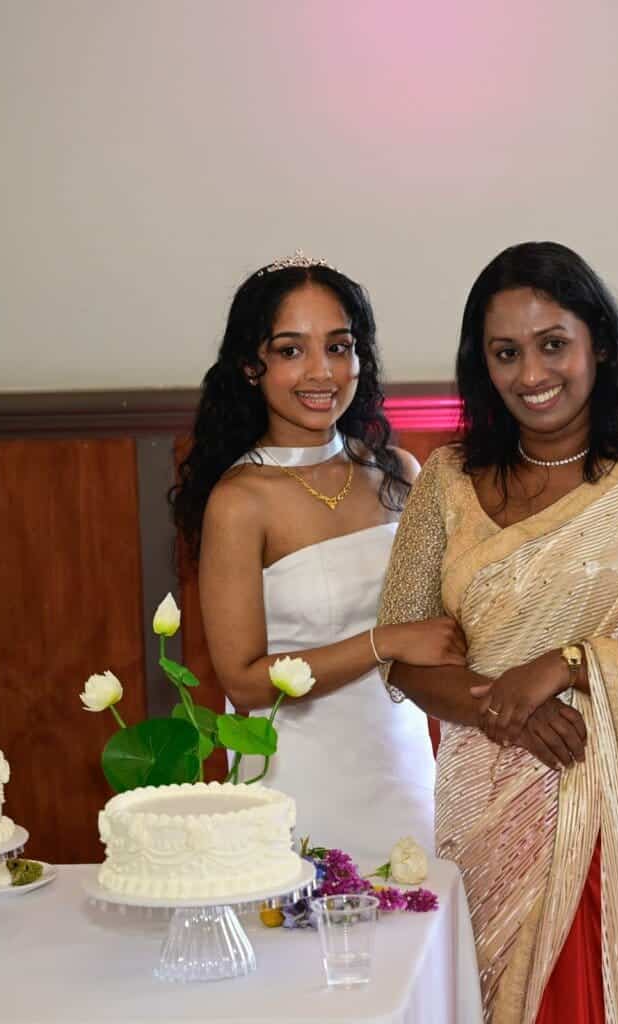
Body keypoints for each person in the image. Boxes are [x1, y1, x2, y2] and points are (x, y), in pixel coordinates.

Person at [378, 242, 618, 1023]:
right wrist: (508, 703)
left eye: (553, 344)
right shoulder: (449, 480)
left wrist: (567, 663)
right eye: (506, 353)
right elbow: (401, 649)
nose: (532, 374)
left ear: (596, 342)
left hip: (616, 778)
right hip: (483, 790)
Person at [173, 253, 466, 861]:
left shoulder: (395, 472)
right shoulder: (239, 500)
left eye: (339, 347)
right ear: (251, 366)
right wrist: (383, 643)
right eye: (291, 350)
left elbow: (442, 628)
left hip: (399, 763)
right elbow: (246, 682)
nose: (321, 371)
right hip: (296, 776)